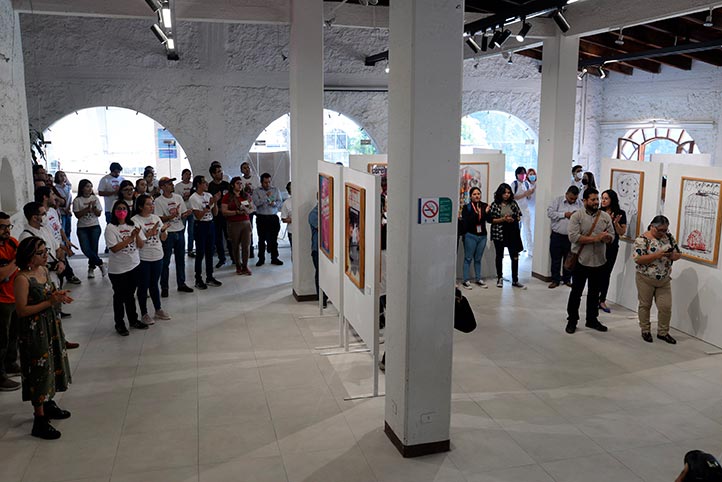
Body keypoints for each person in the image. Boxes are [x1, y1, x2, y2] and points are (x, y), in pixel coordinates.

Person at [14, 236, 73, 440]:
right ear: (29, 257)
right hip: (34, 330)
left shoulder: (44, 271)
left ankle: (49, 403)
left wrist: (59, 295)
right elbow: (22, 310)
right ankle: (39, 418)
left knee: (53, 363)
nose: (45, 254)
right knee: (39, 370)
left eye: (45, 250)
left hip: (50, 325)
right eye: (40, 252)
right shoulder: (22, 278)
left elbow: (50, 293)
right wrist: (50, 302)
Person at [565, 188, 613, 334]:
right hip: (580, 260)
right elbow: (573, 237)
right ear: (584, 201)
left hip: (599, 260)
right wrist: (596, 239)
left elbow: (612, 235)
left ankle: (592, 320)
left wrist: (607, 238)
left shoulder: (605, 216)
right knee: (576, 292)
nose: (596, 202)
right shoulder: (577, 216)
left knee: (594, 293)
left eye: (597, 199)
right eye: (593, 199)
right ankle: (572, 320)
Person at [632, 215, 681, 344]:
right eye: (660, 230)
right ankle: (645, 330)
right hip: (645, 278)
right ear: (652, 226)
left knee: (665, 307)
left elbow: (678, 254)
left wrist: (671, 255)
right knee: (645, 305)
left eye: (665, 230)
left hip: (664, 279)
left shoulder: (668, 237)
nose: (663, 233)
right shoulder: (642, 239)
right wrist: (656, 255)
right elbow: (638, 259)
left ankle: (663, 332)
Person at [104, 200, 149, 336]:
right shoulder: (111, 227)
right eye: (119, 208)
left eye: (124, 208)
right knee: (119, 296)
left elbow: (141, 245)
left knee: (130, 295)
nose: (122, 211)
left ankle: (133, 320)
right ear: (114, 211)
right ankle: (120, 323)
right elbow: (114, 248)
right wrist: (130, 238)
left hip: (133, 265)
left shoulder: (133, 224)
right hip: (118, 269)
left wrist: (136, 236)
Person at [131, 195, 171, 325]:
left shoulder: (156, 218)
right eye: (148, 204)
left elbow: (163, 238)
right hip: (143, 257)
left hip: (158, 255)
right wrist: (151, 232)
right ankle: (144, 313)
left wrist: (163, 231)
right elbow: (139, 242)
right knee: (143, 285)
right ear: (141, 206)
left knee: (154, 284)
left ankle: (158, 309)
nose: (152, 206)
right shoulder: (135, 220)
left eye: (152, 203)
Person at [35, 186, 81, 287]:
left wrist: (66, 241)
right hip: (51, 252)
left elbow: (59, 228)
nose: (54, 197)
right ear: (45, 197)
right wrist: (63, 248)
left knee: (59, 278)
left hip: (59, 248)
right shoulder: (41, 217)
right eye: (52, 194)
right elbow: (48, 238)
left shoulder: (53, 211)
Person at [155, 177, 194, 295]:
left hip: (180, 229)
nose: (172, 185)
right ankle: (164, 287)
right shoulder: (158, 201)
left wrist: (186, 214)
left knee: (180, 259)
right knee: (165, 261)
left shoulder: (178, 197)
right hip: (168, 232)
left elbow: (181, 214)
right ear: (162, 187)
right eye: (169, 184)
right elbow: (158, 218)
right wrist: (171, 217)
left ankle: (181, 283)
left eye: (172, 183)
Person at [189, 175, 223, 289]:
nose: (206, 184)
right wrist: (209, 204)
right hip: (200, 225)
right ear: (198, 184)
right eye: (204, 182)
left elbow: (215, 213)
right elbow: (198, 216)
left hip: (210, 224)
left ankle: (210, 277)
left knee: (210, 252)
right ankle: (198, 279)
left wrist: (215, 203)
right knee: (200, 253)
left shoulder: (208, 195)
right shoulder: (193, 198)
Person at [489, 183, 525, 289]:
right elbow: (491, 220)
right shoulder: (495, 204)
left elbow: (519, 215)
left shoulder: (513, 203)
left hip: (512, 233)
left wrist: (513, 218)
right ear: (500, 193)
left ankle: (515, 279)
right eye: (504, 193)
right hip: (499, 233)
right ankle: (500, 277)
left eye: (509, 193)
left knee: (514, 257)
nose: (507, 195)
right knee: (499, 256)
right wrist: (503, 219)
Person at [0, 212, 21, 391]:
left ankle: (11, 363)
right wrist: (17, 260)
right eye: (2, 227)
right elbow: (2, 274)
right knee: (1, 339)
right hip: (1, 300)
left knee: (13, 333)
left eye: (8, 226)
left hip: (15, 295)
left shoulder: (12, 242)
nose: (7, 230)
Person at [598, 189, 627, 313]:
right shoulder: (599, 212)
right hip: (598, 246)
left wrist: (615, 223)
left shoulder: (620, 213)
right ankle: (593, 298)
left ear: (612, 200)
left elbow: (621, 232)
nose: (603, 201)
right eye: (602, 198)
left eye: (606, 198)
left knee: (606, 273)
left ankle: (602, 300)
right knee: (596, 272)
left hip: (612, 247)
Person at [546, 186, 582, 288]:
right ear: (566, 194)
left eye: (574, 199)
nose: (573, 200)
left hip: (570, 237)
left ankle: (567, 279)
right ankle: (555, 280)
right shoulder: (558, 200)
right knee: (555, 259)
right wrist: (564, 214)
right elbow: (550, 213)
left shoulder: (579, 204)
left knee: (569, 259)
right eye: (571, 198)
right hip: (557, 236)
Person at [72, 179, 106, 279]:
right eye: (87, 186)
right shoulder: (77, 200)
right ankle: (100, 263)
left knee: (93, 249)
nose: (90, 188)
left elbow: (99, 214)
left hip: (94, 226)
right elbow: (77, 215)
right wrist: (87, 209)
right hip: (82, 227)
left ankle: (91, 269)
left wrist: (94, 208)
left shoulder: (95, 198)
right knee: (86, 249)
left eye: (91, 186)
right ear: (82, 188)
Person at [221, 176, 254, 275]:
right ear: (232, 185)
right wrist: (235, 212)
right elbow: (224, 211)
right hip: (234, 223)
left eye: (241, 183)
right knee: (235, 246)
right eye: (237, 183)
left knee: (246, 245)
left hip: (246, 223)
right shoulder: (227, 196)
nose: (240, 185)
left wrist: (247, 210)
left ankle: (245, 266)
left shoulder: (246, 195)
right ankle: (238, 266)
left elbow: (252, 208)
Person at [460, 187, 490, 289]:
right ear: (471, 196)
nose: (477, 196)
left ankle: (478, 278)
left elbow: (489, 219)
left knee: (478, 259)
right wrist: (476, 214)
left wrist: (486, 212)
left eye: (478, 194)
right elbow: (467, 222)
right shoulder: (467, 207)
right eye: (474, 194)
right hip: (470, 235)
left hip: (482, 236)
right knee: (468, 258)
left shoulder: (484, 206)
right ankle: (466, 280)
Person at [252, 173, 283, 267]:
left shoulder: (275, 190)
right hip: (262, 217)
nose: (268, 184)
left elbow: (279, 202)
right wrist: (266, 197)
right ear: (261, 182)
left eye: (269, 182)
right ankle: (261, 259)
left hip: (273, 217)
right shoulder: (257, 191)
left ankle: (274, 258)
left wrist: (274, 204)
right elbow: (256, 203)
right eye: (265, 182)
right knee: (261, 239)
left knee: (274, 239)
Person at [207, 164, 231, 268]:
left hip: (227, 215)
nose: (221, 173)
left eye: (221, 171)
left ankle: (234, 257)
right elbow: (208, 201)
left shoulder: (227, 184)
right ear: (213, 174)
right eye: (218, 172)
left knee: (229, 236)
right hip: (216, 216)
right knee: (218, 238)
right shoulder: (210, 186)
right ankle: (222, 259)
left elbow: (231, 198)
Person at [512, 167, 535, 256]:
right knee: (516, 230)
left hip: (525, 209)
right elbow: (513, 197)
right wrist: (525, 194)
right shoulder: (514, 184)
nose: (523, 175)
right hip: (516, 209)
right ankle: (516, 249)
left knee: (527, 229)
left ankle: (529, 249)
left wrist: (529, 193)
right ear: (517, 174)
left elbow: (529, 198)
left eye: (524, 173)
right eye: (520, 173)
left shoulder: (527, 184)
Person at [240, 161, 261, 258]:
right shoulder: (240, 180)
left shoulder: (255, 178)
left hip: (256, 205)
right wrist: (245, 190)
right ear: (241, 170)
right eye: (244, 168)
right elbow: (240, 193)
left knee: (260, 226)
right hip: (247, 206)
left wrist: (251, 189)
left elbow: (258, 190)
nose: (247, 169)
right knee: (249, 228)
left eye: (248, 167)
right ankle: (250, 249)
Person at [175, 169, 195, 257]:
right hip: (182, 211)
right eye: (186, 174)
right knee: (181, 231)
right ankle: (181, 249)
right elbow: (176, 199)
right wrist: (183, 197)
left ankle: (190, 249)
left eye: (189, 174)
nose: (188, 176)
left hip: (191, 210)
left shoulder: (192, 185)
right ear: (182, 175)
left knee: (191, 231)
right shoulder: (178, 186)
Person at [53, 171, 73, 241]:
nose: (63, 177)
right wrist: (64, 209)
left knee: (68, 230)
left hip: (68, 212)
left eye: (64, 175)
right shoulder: (55, 188)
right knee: (62, 230)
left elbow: (70, 199)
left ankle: (69, 247)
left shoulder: (68, 187)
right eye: (61, 176)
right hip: (61, 213)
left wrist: (68, 208)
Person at [281, 181, 293, 249]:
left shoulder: (302, 200)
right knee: (294, 252)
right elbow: (284, 219)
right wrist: (292, 219)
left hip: (303, 230)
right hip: (292, 231)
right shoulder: (286, 203)